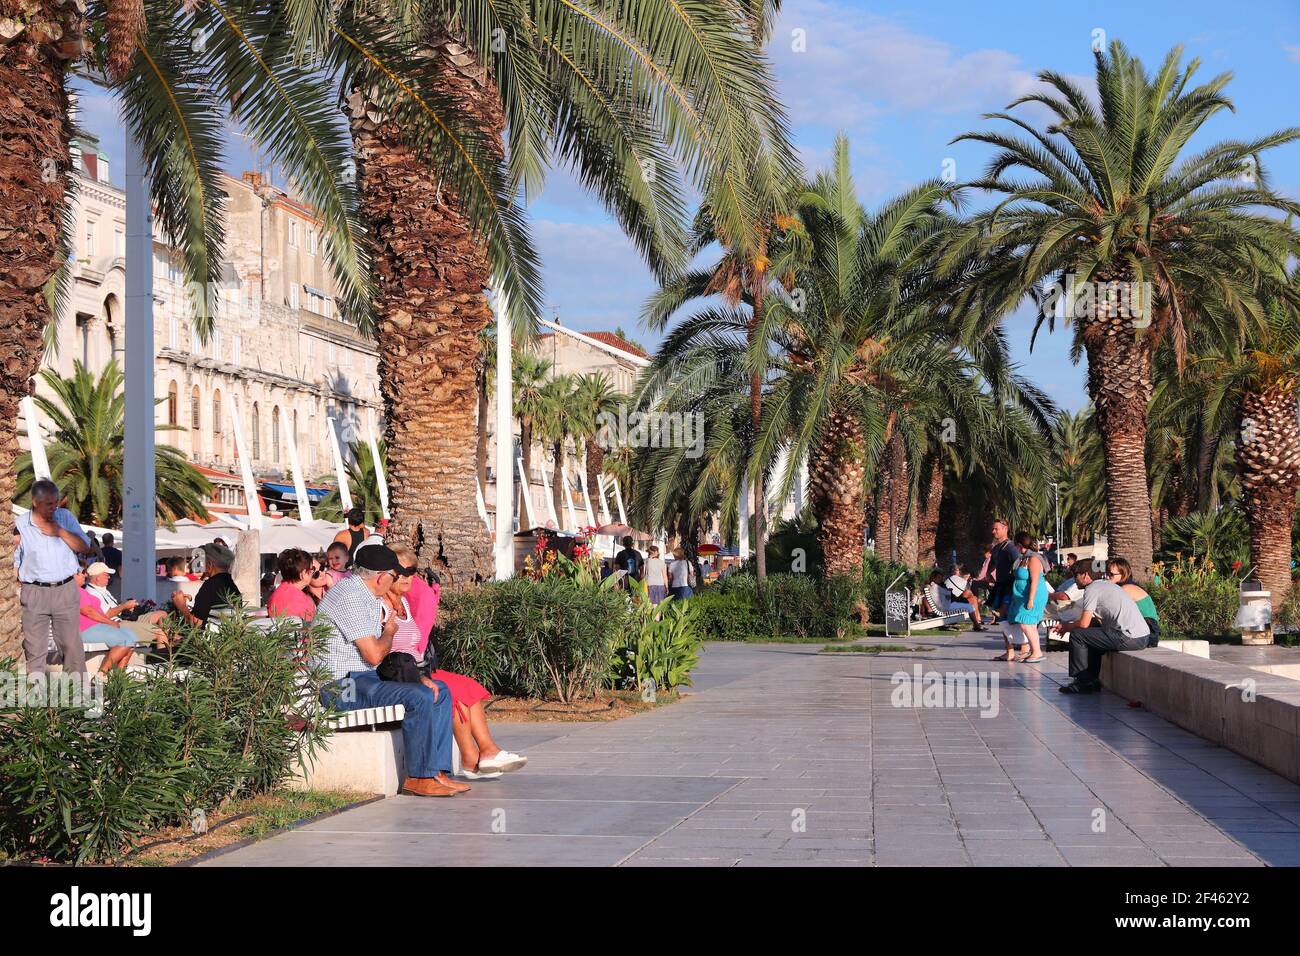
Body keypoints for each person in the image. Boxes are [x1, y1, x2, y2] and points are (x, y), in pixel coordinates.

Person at [315, 545, 466, 798]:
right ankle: (418, 777)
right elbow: (374, 654)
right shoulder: (350, 597)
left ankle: (437, 772)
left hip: (363, 679)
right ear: (381, 577)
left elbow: (378, 659)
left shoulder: (367, 596)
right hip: (341, 687)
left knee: (439, 691)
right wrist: (389, 631)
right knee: (418, 697)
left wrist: (418, 678)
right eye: (394, 577)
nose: (397, 581)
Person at [385, 544, 526, 778]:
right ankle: (474, 757)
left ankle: (484, 751)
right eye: (403, 571)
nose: (409, 576)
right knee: (452, 693)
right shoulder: (383, 606)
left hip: (418, 668)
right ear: (387, 573)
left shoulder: (405, 604)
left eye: (413, 570)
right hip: (402, 673)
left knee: (468, 686)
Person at [16, 478, 93, 674]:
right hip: (34, 592)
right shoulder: (21, 525)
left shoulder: (65, 517)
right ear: (35, 502)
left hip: (65, 590)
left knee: (71, 647)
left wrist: (60, 532)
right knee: (34, 650)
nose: (54, 507)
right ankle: (34, 701)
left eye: (56, 502)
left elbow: (85, 547)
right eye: (49, 504)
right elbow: (13, 562)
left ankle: (77, 699)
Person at [1056, 559, 1151, 694]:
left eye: (1076, 575)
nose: (1074, 579)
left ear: (1085, 575)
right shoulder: (1105, 585)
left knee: (1077, 635)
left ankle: (1082, 681)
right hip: (1141, 636)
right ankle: (1092, 681)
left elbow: (1083, 624)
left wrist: (1067, 627)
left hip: (1128, 636)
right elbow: (1094, 623)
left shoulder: (1092, 589)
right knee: (1090, 636)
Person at [77, 564, 141, 675]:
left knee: (132, 637)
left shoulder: (82, 591)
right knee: (126, 641)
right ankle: (102, 674)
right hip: (86, 628)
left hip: (96, 626)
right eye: (80, 573)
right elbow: (88, 611)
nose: (84, 575)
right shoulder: (76, 591)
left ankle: (119, 676)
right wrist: (110, 622)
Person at [1000, 531, 1048, 663]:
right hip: (1022, 596)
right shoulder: (1022, 559)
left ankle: (1037, 652)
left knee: (1025, 623)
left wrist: (1031, 599)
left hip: (1034, 595)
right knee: (1028, 624)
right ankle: (1034, 651)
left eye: (1015, 544)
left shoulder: (1033, 559)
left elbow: (1035, 581)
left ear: (1019, 544)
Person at [170, 542, 239, 628]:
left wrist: (181, 606)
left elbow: (196, 625)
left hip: (209, 639)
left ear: (209, 565)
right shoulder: (233, 585)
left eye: (202, 562)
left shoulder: (210, 586)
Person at [1105, 557, 1160, 646]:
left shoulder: (1126, 589)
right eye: (1106, 573)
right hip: (1146, 629)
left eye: (1111, 574)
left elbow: (1113, 612)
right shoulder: (1129, 586)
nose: (1107, 577)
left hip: (1147, 631)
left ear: (1123, 574)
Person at [267, 548, 319, 622]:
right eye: (312, 569)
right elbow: (311, 628)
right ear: (303, 574)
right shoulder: (301, 599)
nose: (312, 573)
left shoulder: (276, 594)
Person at [987, 519, 1020, 624]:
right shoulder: (996, 548)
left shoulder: (1011, 548)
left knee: (1010, 622)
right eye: (993, 529)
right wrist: (988, 573)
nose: (993, 531)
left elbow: (1020, 564)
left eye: (996, 529)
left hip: (1010, 588)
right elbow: (993, 563)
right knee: (1004, 624)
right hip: (999, 586)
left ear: (1005, 529)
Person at [943, 563, 985, 630]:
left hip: (951, 600)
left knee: (973, 598)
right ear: (954, 571)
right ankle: (977, 623)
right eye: (957, 570)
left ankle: (977, 622)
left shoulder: (952, 579)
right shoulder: (954, 579)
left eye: (958, 570)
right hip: (950, 603)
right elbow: (959, 593)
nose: (958, 572)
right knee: (971, 598)